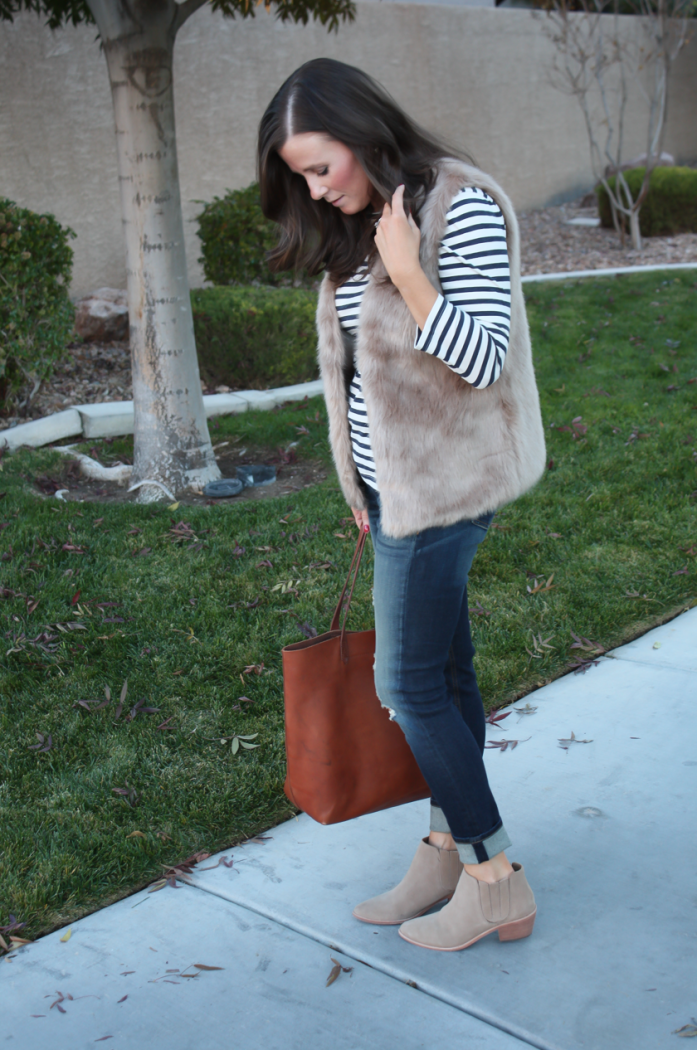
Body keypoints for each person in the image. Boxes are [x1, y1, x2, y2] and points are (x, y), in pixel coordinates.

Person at [258, 58, 546, 952]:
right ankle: (441, 849)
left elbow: (481, 357)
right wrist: (360, 487)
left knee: (408, 686)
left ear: (362, 130)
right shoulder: (359, 225)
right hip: (390, 493)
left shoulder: (455, 204)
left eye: (320, 165)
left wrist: (406, 270)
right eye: (300, 174)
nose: (315, 186)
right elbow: (359, 376)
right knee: (445, 676)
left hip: (446, 491)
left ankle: (492, 876)